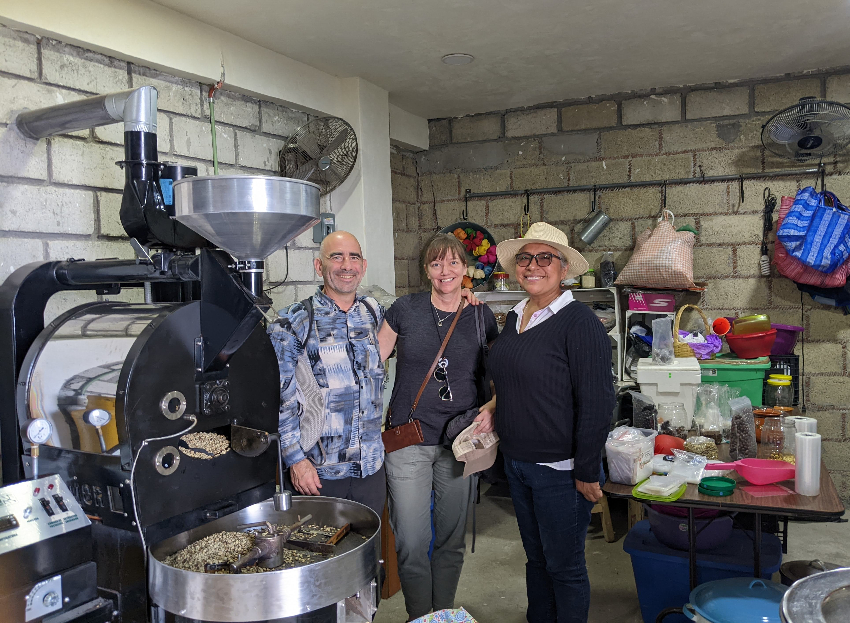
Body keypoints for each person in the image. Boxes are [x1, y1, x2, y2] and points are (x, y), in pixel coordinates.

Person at [487, 222, 615, 623]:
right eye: (525, 258)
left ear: (563, 269)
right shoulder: (515, 316)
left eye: (545, 258)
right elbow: (517, 377)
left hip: (560, 469)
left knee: (564, 566)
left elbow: (598, 401)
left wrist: (587, 470)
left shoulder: (579, 322)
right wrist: (492, 406)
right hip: (518, 462)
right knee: (537, 559)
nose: (533, 266)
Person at [377, 233, 498, 622]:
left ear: (466, 269)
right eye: (436, 263)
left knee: (450, 539)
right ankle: (419, 616)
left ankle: (441, 615)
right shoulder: (404, 309)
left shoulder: (480, 315)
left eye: (452, 263)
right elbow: (372, 363)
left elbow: (499, 374)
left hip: (460, 443)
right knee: (411, 541)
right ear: (426, 270)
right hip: (407, 439)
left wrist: (493, 406)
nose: (445, 271)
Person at [268, 231, 387, 517]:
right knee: (321, 545)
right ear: (319, 266)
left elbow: (418, 317)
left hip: (371, 468)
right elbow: (279, 398)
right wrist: (295, 460)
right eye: (337, 257)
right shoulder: (293, 322)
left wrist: (461, 296)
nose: (347, 265)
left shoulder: (374, 313)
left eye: (354, 257)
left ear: (363, 266)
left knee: (369, 545)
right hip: (317, 474)